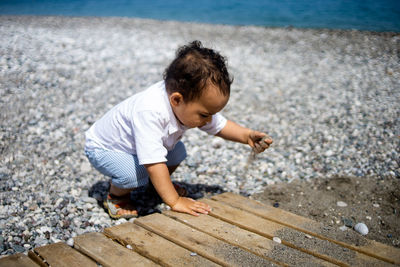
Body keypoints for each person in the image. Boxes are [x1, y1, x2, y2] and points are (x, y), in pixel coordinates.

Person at [84, 40, 273, 219]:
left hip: (133, 149)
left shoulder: (187, 104)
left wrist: (246, 135)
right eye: (205, 114)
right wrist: (174, 201)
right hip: (105, 149)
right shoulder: (150, 111)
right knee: (136, 174)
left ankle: (154, 187)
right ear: (176, 100)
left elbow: (220, 126)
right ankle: (116, 198)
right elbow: (153, 161)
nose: (208, 120)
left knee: (177, 152)